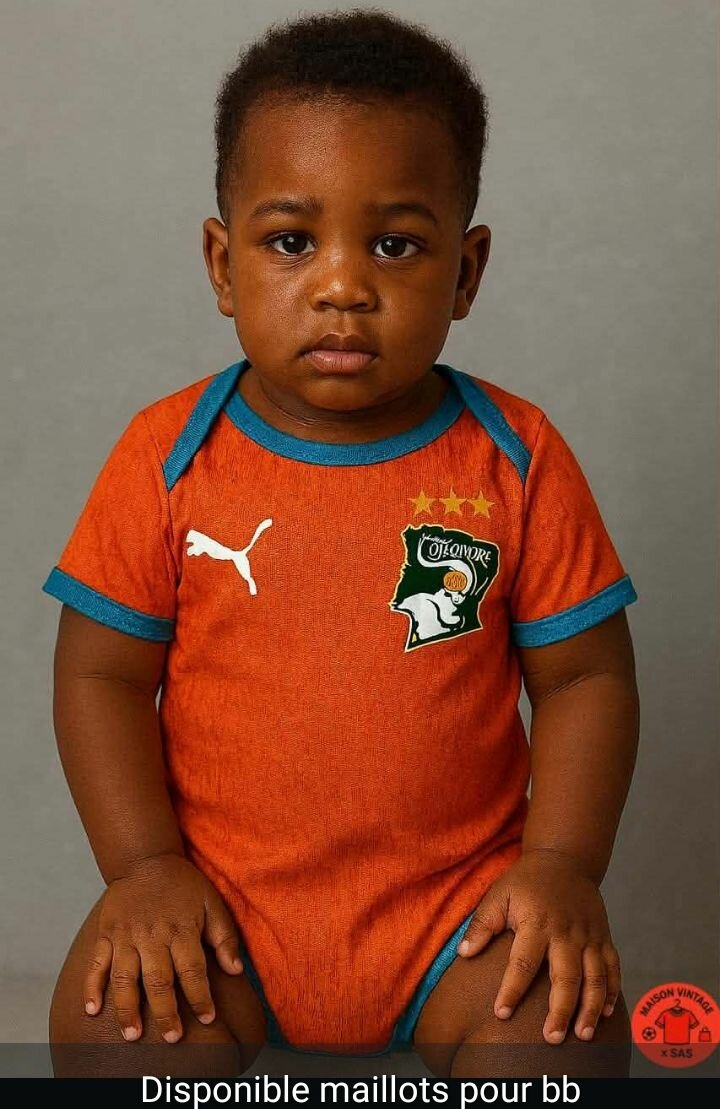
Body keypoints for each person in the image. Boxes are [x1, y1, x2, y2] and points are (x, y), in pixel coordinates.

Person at [43, 7, 640, 1081]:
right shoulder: (167, 457)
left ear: (466, 272)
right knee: (109, 1034)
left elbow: (587, 676)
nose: (342, 286)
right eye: (290, 241)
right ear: (222, 264)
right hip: (220, 907)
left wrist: (562, 864)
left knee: (564, 1039)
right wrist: (142, 867)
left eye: (396, 245)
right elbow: (100, 674)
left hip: (459, 917)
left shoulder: (516, 458)